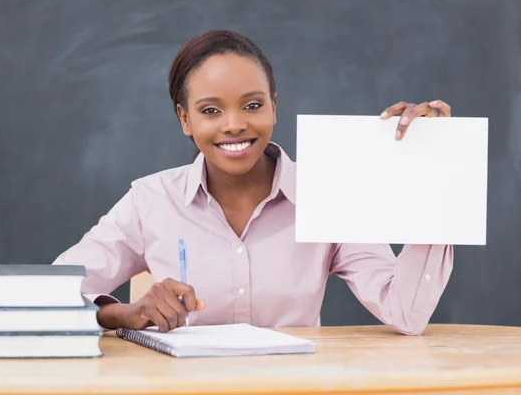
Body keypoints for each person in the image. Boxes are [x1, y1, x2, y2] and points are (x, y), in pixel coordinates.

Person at [53, 29, 453, 336]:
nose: (234, 124)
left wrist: (429, 172)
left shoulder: (327, 195)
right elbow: (50, 297)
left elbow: (405, 312)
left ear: (274, 107)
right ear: (185, 120)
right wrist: (124, 312)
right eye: (211, 110)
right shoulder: (151, 200)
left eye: (252, 105)